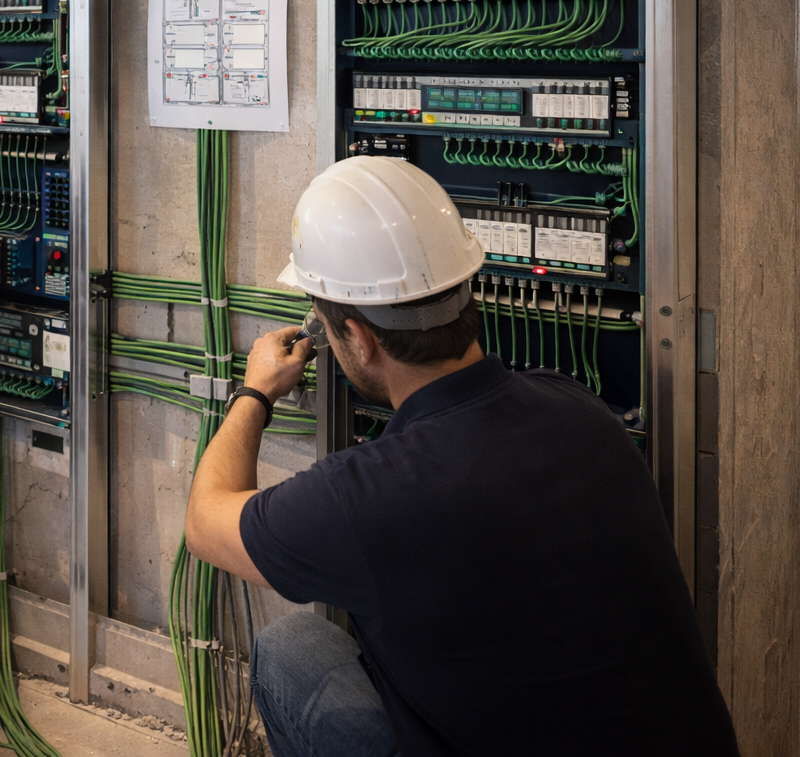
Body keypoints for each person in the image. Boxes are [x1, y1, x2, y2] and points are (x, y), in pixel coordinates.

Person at [184, 155, 738, 757]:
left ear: (361, 340)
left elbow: (205, 524)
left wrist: (256, 391)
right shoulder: (580, 411)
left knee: (290, 650)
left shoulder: (369, 496)